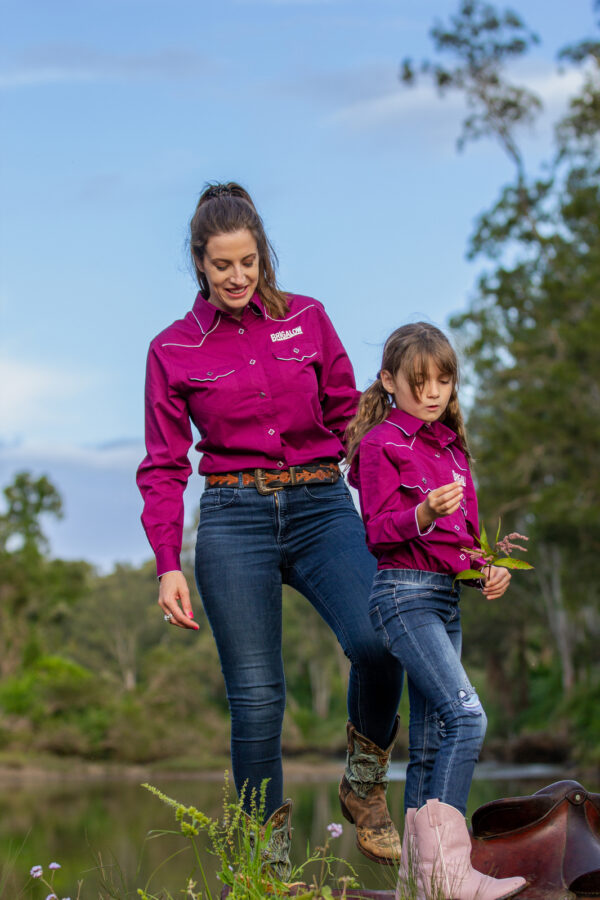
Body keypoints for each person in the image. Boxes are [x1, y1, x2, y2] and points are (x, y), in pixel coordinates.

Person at [136, 182, 404, 877]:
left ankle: (364, 783)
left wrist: (403, 502)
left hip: (320, 506)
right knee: (257, 699)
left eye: (248, 261)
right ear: (199, 262)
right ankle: (267, 870)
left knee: (380, 642)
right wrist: (168, 561)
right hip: (233, 518)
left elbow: (354, 420)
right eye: (222, 264)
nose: (236, 277)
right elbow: (163, 465)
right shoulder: (172, 349)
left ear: (263, 256)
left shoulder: (308, 319)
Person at [345, 323, 527, 900]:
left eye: (443, 381)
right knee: (468, 717)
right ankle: (450, 871)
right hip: (402, 596)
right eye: (418, 381)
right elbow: (377, 532)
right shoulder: (380, 446)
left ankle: (420, 885)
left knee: (428, 745)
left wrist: (487, 571)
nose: (432, 392)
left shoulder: (453, 449)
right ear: (388, 381)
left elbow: (464, 546)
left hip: (444, 600)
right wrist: (421, 513)